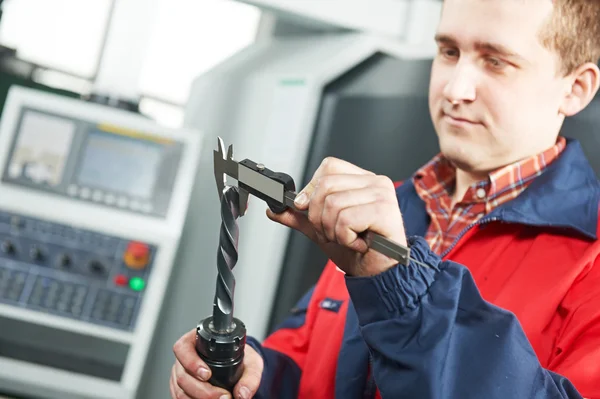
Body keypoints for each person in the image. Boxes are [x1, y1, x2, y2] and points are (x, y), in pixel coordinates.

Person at [170, 0, 600, 398]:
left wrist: (399, 288)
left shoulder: (592, 261)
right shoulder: (389, 207)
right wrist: (254, 378)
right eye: (449, 52)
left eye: (495, 61)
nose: (456, 89)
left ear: (576, 88)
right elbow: (308, 363)